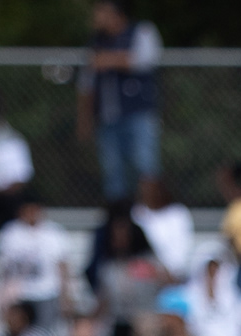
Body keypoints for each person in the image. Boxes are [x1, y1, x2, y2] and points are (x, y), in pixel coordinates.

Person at [83, 3, 165, 210]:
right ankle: (119, 217)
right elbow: (87, 82)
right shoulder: (96, 41)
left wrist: (110, 60)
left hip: (138, 113)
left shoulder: (141, 30)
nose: (96, 17)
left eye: (100, 11)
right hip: (107, 116)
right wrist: (84, 119)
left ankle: (151, 212)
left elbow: (146, 59)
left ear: (115, 14)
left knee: (146, 165)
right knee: (113, 171)